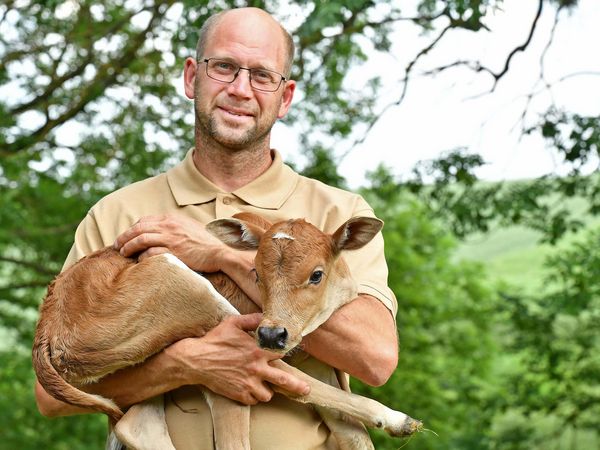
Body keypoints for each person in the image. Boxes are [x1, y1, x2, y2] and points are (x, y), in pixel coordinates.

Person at [34, 7, 399, 449]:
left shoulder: (337, 213)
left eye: (263, 75)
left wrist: (224, 255)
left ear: (285, 98)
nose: (240, 89)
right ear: (192, 78)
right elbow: (53, 392)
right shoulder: (118, 213)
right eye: (223, 67)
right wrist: (184, 364)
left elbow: (375, 359)